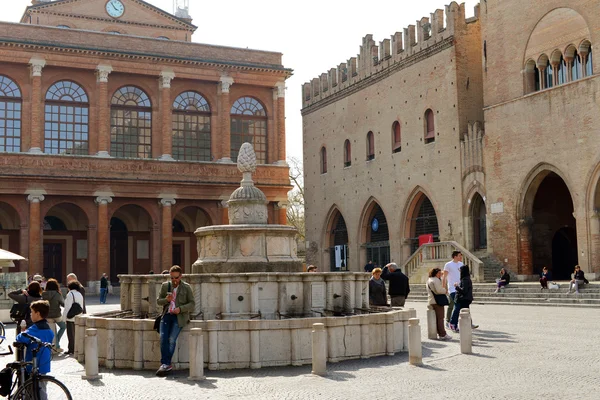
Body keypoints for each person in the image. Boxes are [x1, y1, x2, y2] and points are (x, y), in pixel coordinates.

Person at [156, 265, 195, 377]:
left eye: (176, 278)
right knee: (163, 338)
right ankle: (166, 364)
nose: (174, 280)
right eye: (172, 278)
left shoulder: (186, 287)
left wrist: (181, 309)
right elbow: (158, 301)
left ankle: (165, 364)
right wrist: (166, 300)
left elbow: (192, 304)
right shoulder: (165, 286)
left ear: (181, 276)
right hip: (166, 315)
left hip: (179, 317)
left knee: (172, 339)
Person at [15, 300, 54, 375]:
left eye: (32, 312)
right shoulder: (48, 329)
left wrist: (23, 330)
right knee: (42, 385)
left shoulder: (35, 329)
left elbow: (20, 338)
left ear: (38, 313)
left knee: (32, 385)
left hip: (33, 364)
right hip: (44, 365)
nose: (30, 314)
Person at [426, 268, 451, 340]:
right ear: (435, 273)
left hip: (432, 300)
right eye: (439, 273)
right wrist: (445, 290)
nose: (440, 274)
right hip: (437, 301)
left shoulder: (429, 280)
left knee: (436, 319)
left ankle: (438, 333)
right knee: (440, 318)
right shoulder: (436, 280)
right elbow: (439, 290)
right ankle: (442, 334)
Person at [42, 278, 66, 353]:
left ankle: (52, 344)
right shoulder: (58, 294)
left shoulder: (43, 294)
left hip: (47, 316)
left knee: (51, 330)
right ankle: (57, 343)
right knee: (63, 327)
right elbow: (63, 304)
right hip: (57, 315)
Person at [62, 280, 85, 355]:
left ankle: (71, 349)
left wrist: (64, 318)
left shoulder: (70, 294)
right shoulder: (79, 294)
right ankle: (76, 348)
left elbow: (67, 307)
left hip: (71, 317)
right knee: (76, 334)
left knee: (70, 334)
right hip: (78, 315)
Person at [443, 251, 463, 330]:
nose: (460, 257)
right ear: (455, 256)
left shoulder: (461, 264)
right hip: (452, 288)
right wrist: (444, 288)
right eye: (459, 256)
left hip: (460, 288)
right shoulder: (448, 265)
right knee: (454, 305)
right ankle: (449, 322)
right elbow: (444, 277)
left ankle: (468, 322)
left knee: (459, 305)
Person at [450, 265, 474, 332]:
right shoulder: (467, 278)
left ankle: (454, 324)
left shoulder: (465, 279)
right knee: (464, 312)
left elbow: (464, 291)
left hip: (463, 299)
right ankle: (465, 325)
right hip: (466, 299)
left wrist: (456, 286)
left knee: (460, 312)